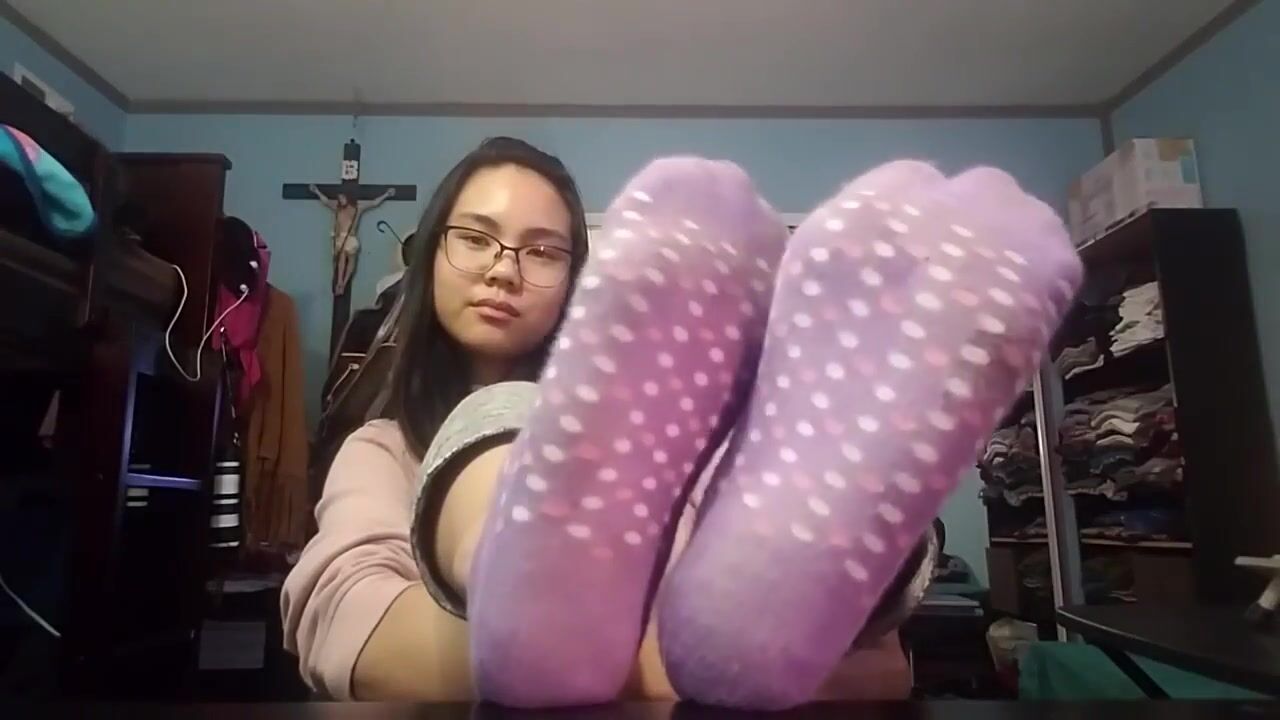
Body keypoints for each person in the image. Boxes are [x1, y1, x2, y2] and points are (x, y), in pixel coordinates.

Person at [281, 138, 920, 702]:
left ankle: (834, 536)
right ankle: (533, 592)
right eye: (475, 238)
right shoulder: (381, 450)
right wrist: (676, 664)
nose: (504, 269)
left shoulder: (661, 440)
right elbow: (349, 625)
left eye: (542, 251)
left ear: (573, 279)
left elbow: (889, 670)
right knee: (505, 423)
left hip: (717, 578)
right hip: (667, 634)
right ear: (431, 257)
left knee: (740, 511)